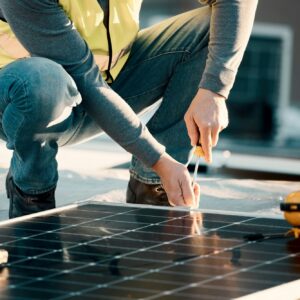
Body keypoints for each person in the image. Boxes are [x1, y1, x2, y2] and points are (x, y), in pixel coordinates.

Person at [0, 0, 258, 218]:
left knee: (210, 29)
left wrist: (214, 90)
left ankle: (153, 188)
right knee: (44, 80)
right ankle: (32, 192)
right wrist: (158, 158)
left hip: (106, 82)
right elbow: (84, 79)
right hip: (21, 100)